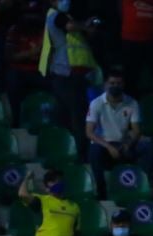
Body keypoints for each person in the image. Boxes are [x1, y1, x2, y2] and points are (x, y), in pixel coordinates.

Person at [39, 0, 99, 155]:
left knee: (68, 115)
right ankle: (78, 153)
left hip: (70, 74)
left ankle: (68, 151)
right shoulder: (56, 16)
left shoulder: (66, 16)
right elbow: (70, 26)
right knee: (76, 116)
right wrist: (86, 26)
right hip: (66, 73)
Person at [85, 69, 153, 200]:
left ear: (123, 85)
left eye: (118, 83)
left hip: (124, 144)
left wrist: (128, 144)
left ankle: (144, 184)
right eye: (112, 83)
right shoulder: (96, 104)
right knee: (94, 150)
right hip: (105, 146)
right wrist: (109, 147)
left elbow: (137, 130)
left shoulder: (132, 103)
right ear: (106, 84)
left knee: (147, 147)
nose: (115, 86)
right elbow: (89, 132)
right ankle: (101, 191)